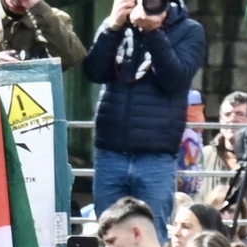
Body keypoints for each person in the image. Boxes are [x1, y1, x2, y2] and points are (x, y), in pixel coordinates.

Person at [85, 0, 207, 218]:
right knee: (108, 233)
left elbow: (175, 81)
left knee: (153, 234)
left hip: (156, 156)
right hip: (111, 152)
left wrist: (153, 33)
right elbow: (94, 72)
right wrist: (113, 28)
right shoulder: (114, 24)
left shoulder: (189, 30)